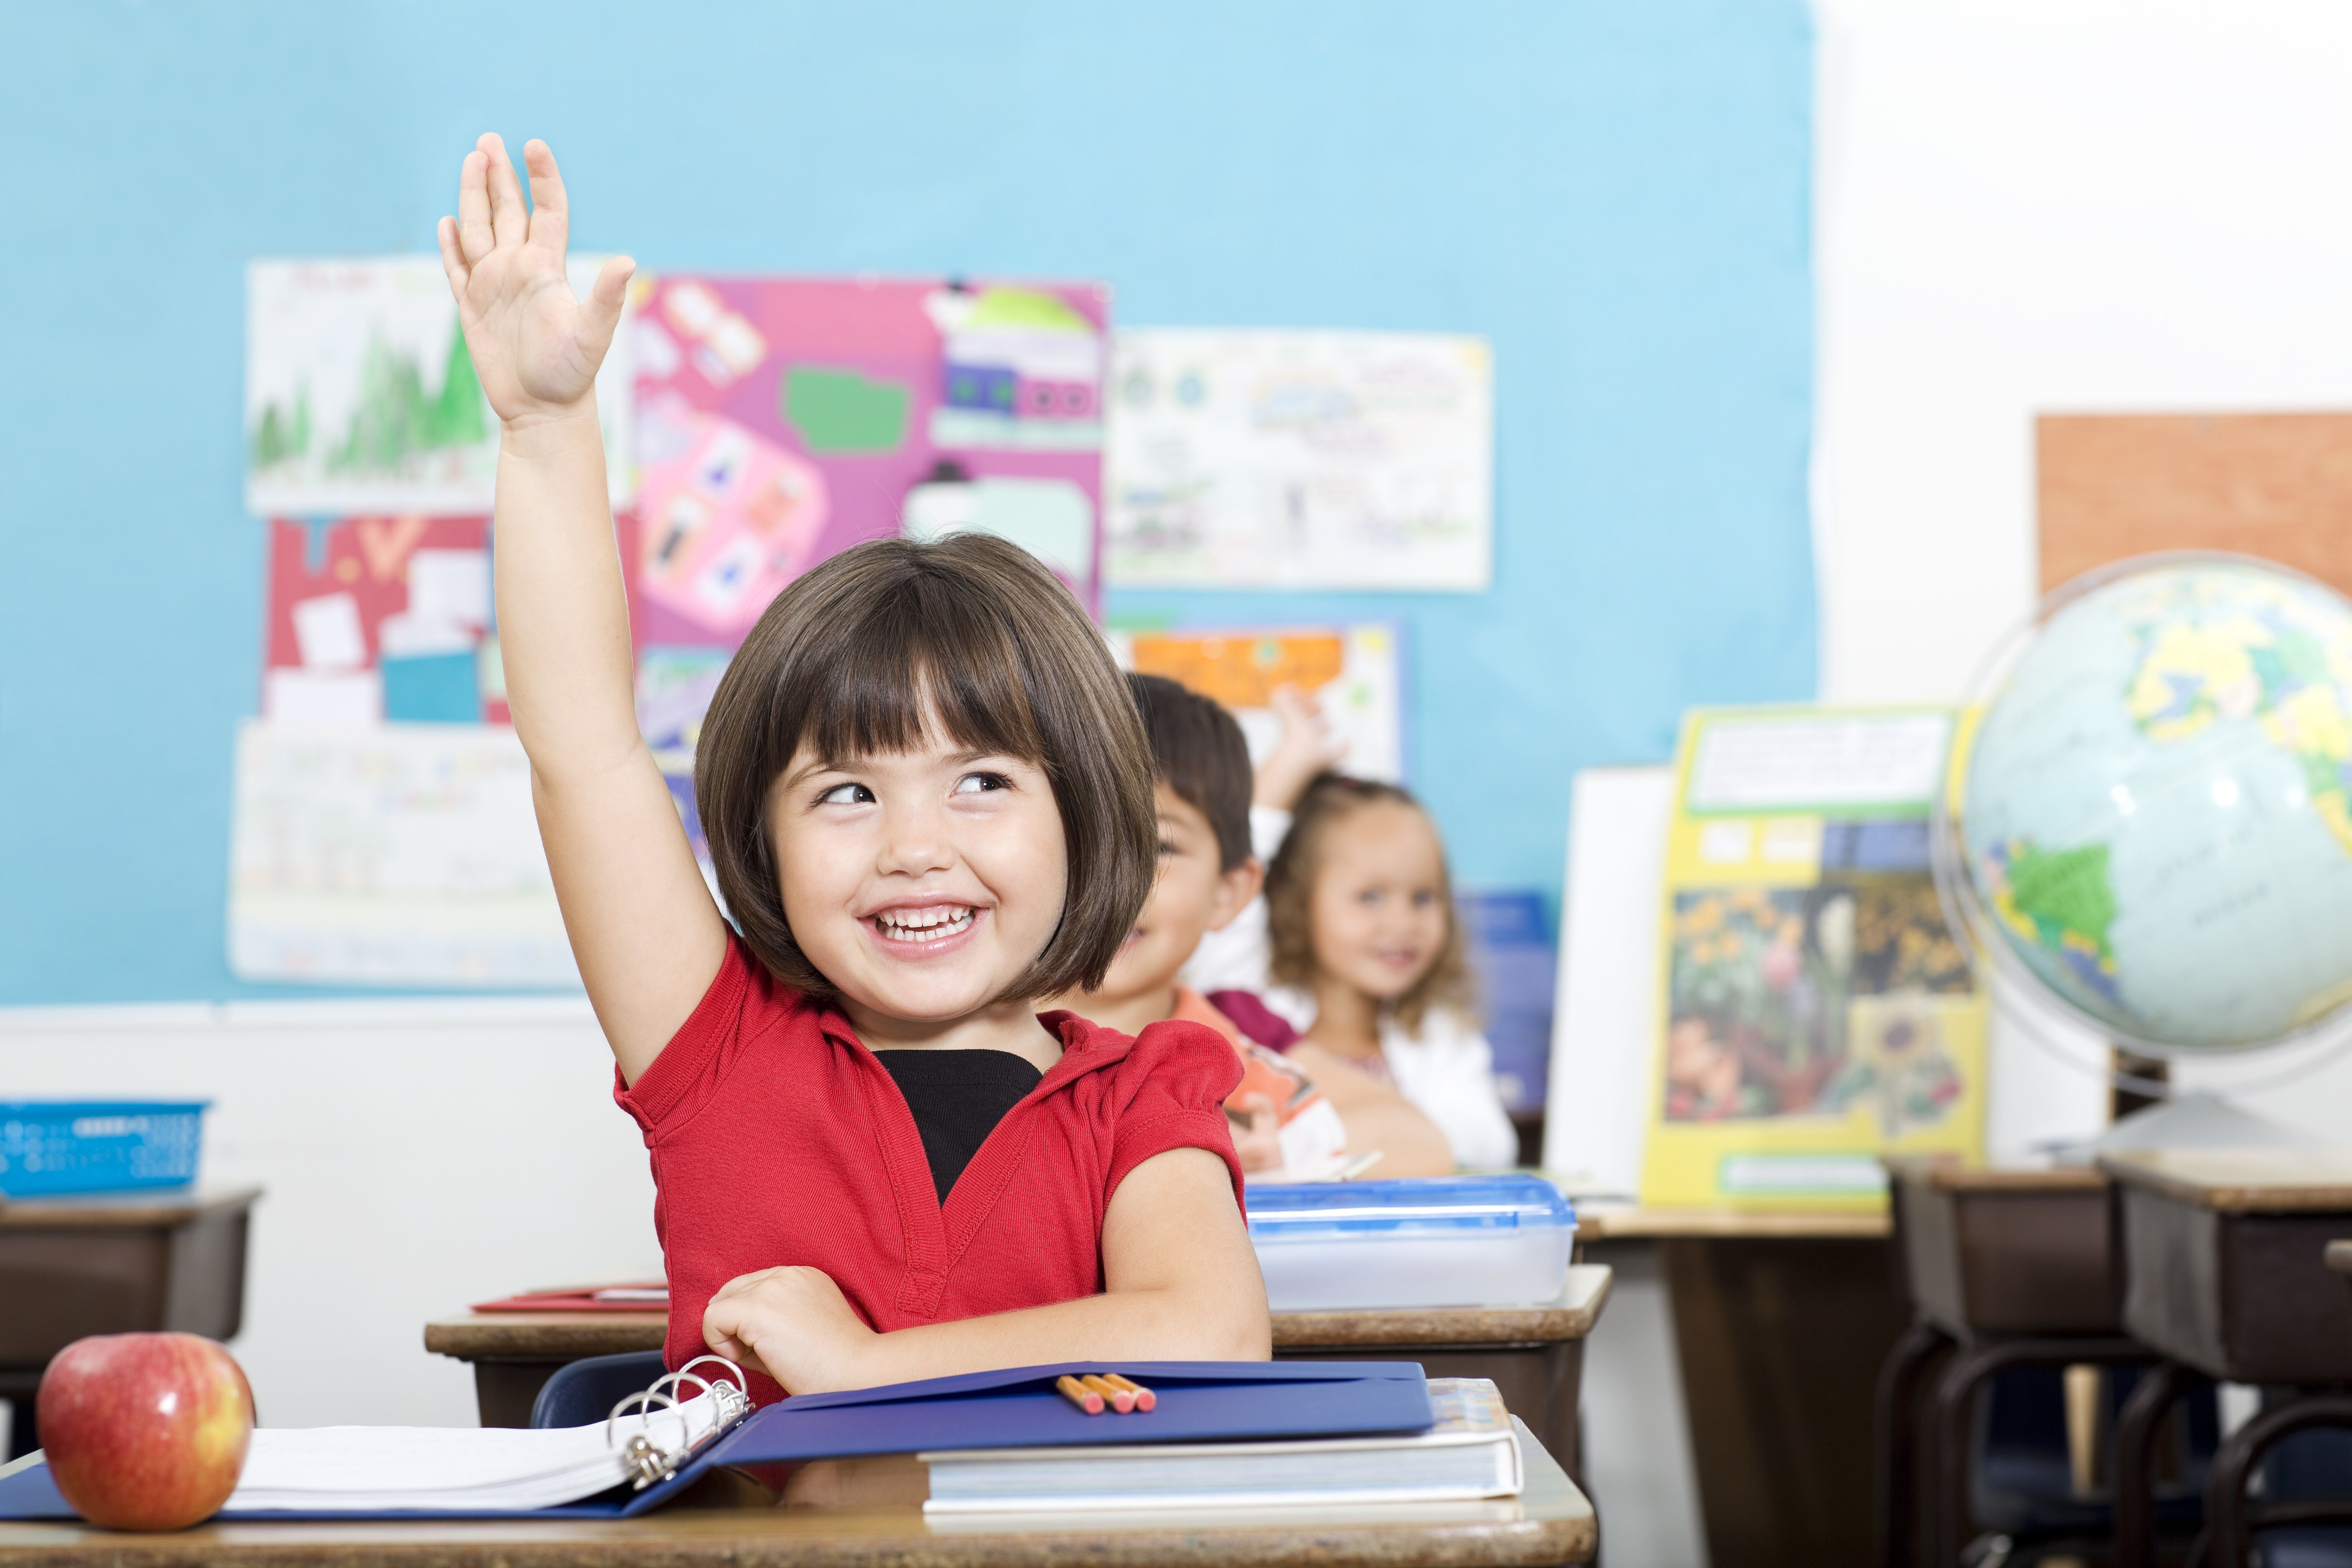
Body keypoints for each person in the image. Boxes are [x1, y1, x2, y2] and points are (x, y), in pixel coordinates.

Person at [435, 133, 1267, 1407]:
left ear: (1084, 815)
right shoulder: (713, 1045)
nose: (915, 845)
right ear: (761, 843)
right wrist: (546, 428)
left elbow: (1205, 1324)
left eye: (981, 782)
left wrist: (866, 1370)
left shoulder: (1144, 1090)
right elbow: (585, 747)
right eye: (847, 792)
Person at [1044, 676, 1452, 1180]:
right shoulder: (968, 1036)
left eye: (1161, 848)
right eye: (1083, 837)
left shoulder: (1239, 1044)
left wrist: (1279, 1152)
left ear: (1228, 894)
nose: (1116, 882)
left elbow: (1420, 1145)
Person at [1260, 774, 1521, 1170]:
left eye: (1423, 897)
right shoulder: (1259, 1015)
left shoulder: (1440, 1033)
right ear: (1297, 903)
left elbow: (1490, 1144)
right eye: (1371, 897)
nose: (1402, 923)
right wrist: (1294, 760)